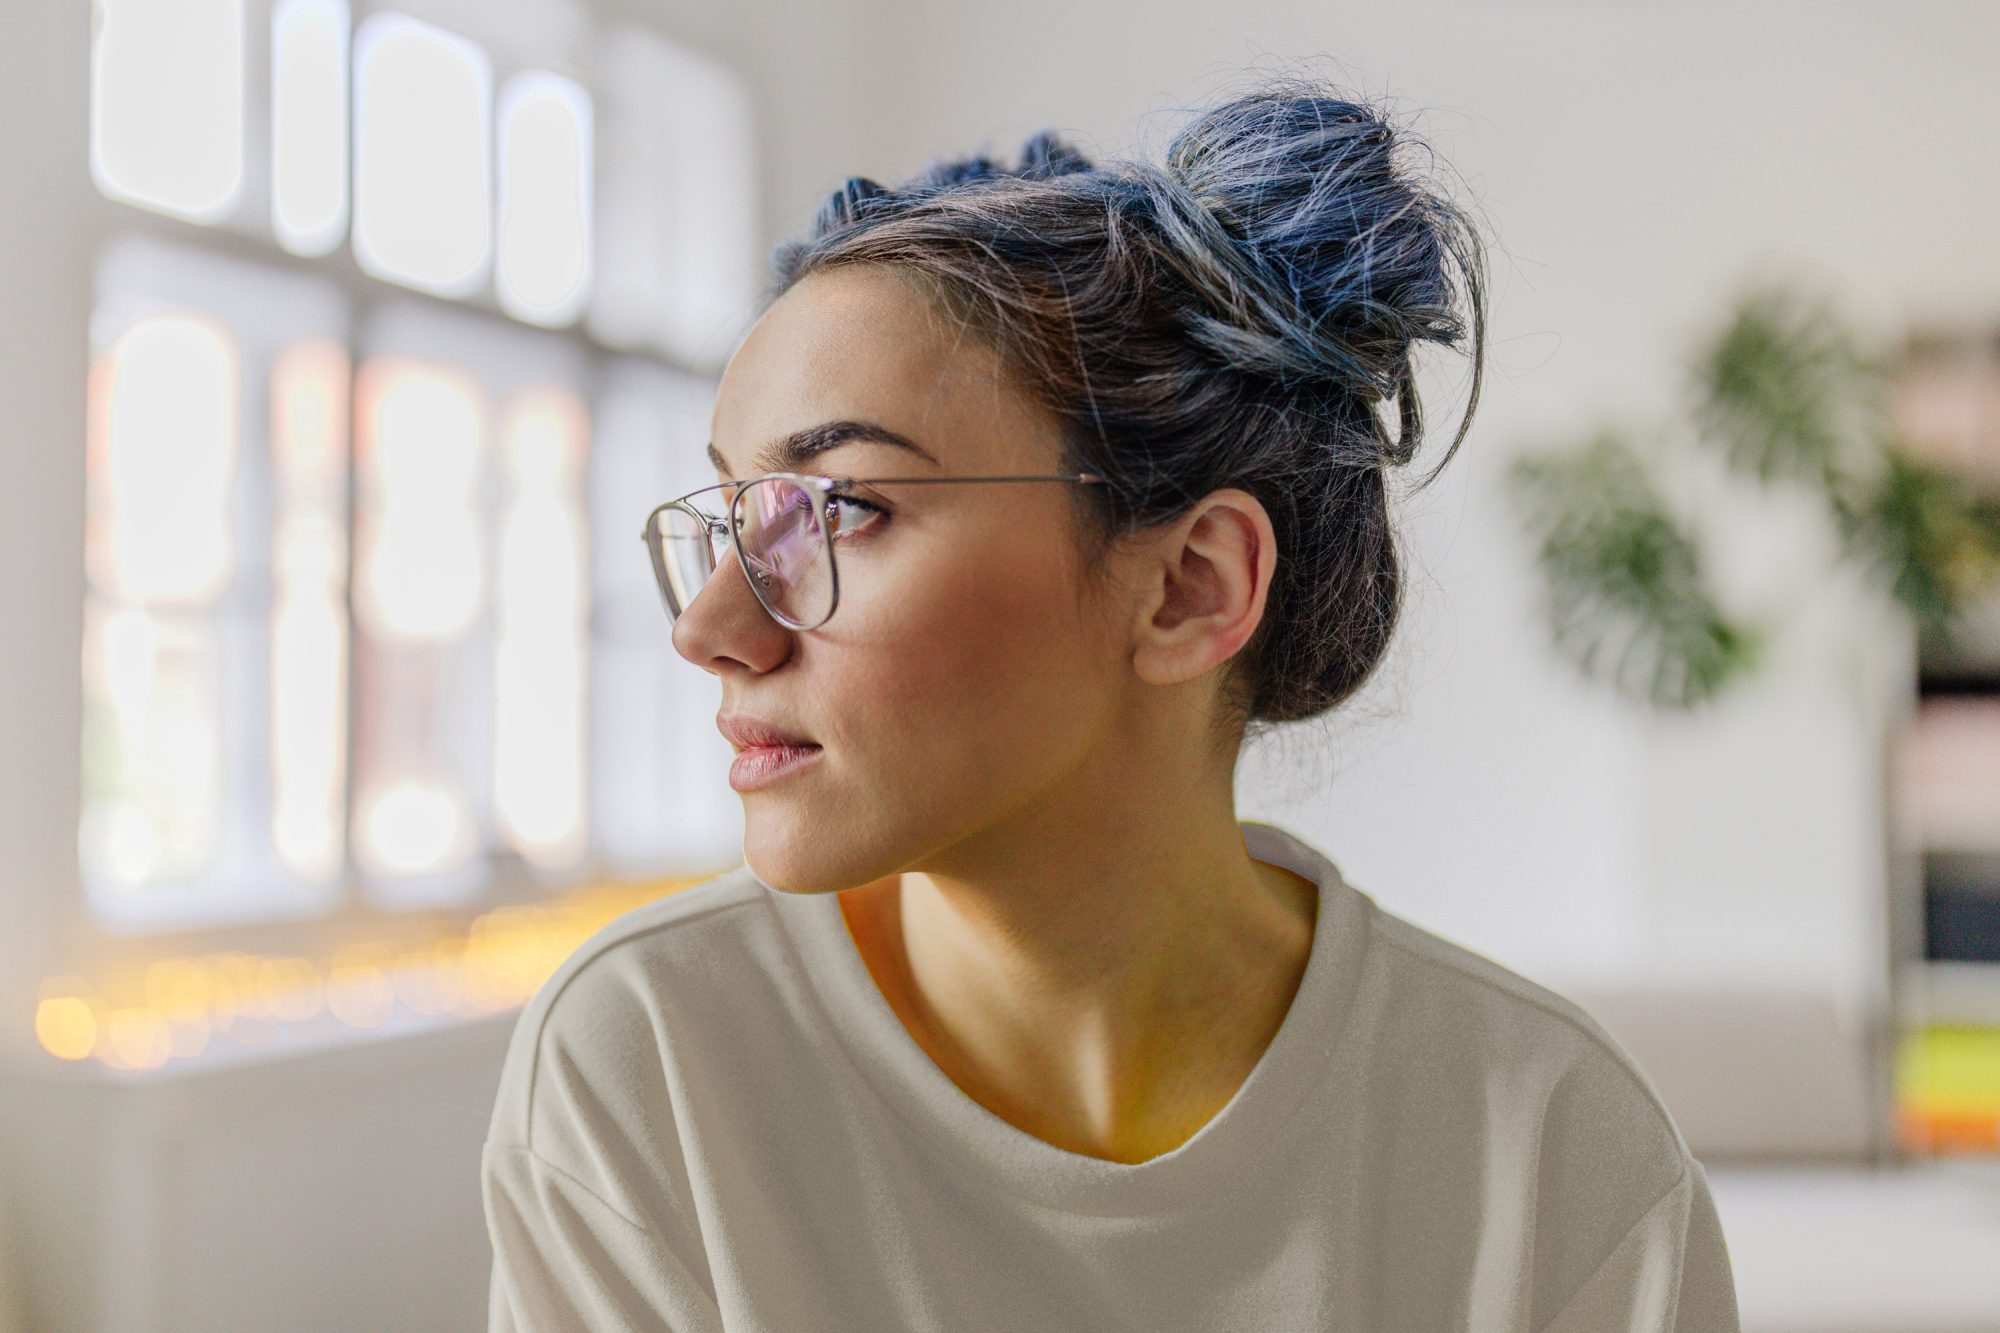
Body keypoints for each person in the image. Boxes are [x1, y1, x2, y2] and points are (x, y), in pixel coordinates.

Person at [482, 72, 1740, 1331]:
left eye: (847, 506)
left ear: (1190, 587)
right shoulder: (654, 1062)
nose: (708, 629)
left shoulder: (1550, 1153)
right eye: (735, 514)